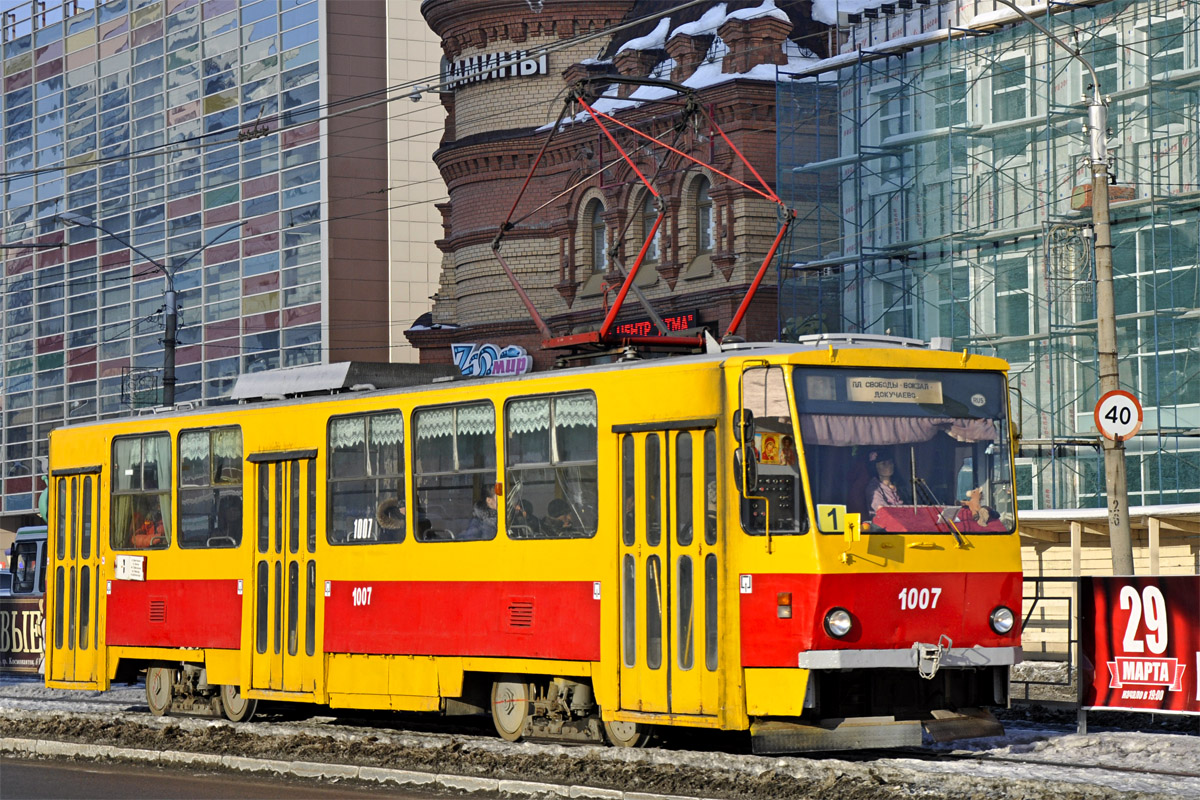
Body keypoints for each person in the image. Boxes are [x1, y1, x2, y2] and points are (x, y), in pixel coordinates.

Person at [864, 448, 903, 516]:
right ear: (875, 467)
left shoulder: (898, 486)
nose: (889, 466)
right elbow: (881, 509)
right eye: (883, 464)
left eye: (890, 462)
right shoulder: (874, 488)